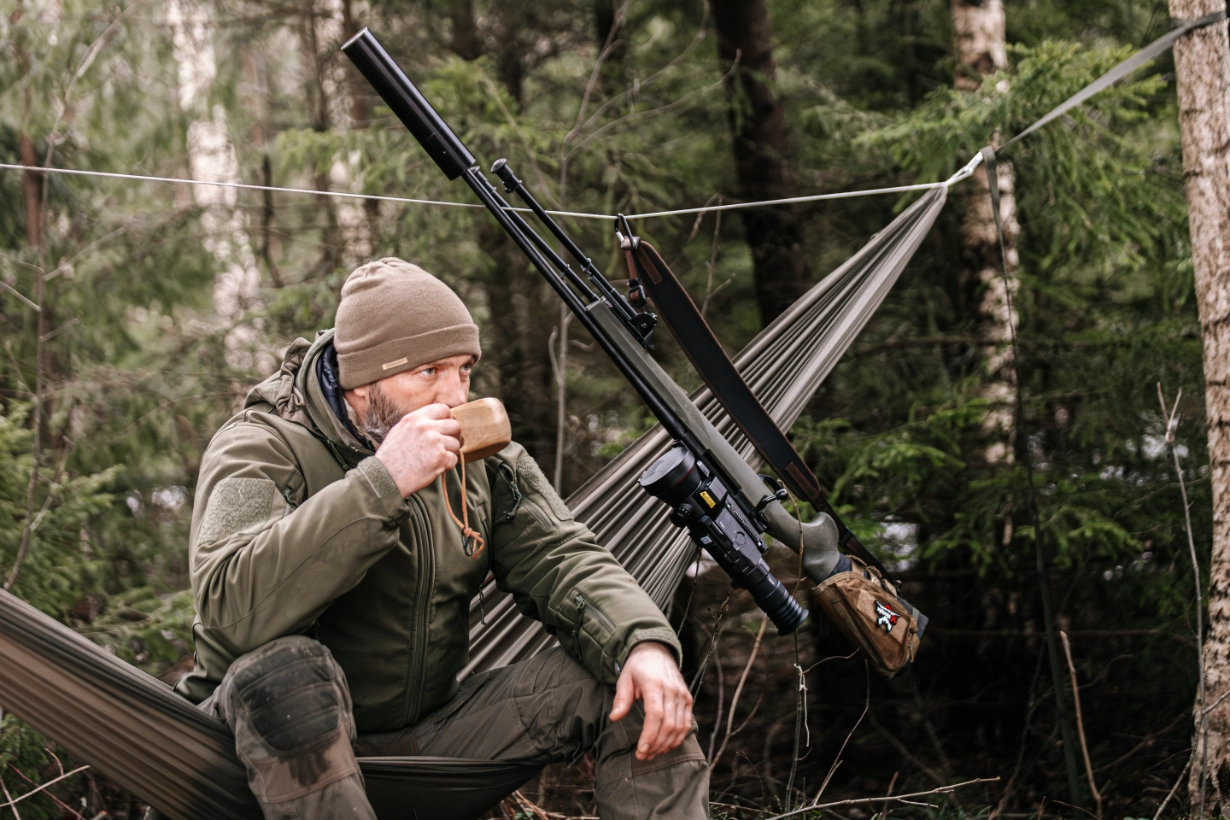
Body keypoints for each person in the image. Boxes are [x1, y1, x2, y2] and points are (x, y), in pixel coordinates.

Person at [174, 258, 709, 820]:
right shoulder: (259, 447)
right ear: (362, 382)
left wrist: (642, 644)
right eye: (429, 372)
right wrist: (383, 483)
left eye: (464, 370)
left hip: (417, 750)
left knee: (632, 683)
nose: (455, 396)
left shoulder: (478, 455)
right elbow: (230, 610)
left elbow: (561, 557)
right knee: (286, 672)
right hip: (259, 763)